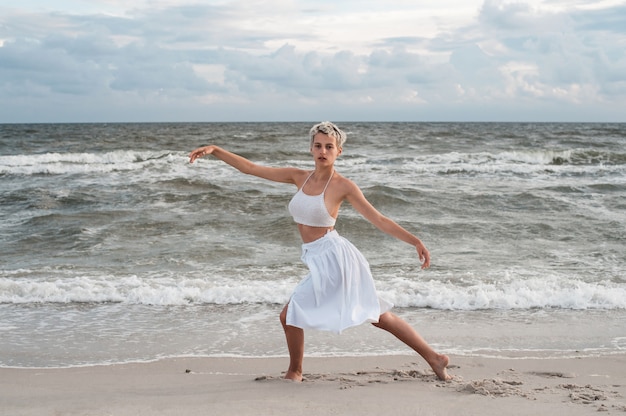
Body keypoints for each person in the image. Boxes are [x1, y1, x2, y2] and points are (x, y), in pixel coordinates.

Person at [189, 122, 451, 382]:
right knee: (376, 315)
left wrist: (415, 241)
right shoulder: (298, 177)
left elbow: (379, 219)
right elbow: (252, 168)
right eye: (318, 146)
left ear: (339, 151)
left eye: (329, 146)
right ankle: (434, 357)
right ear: (311, 149)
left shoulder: (343, 186)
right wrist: (216, 150)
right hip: (319, 257)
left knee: (292, 314)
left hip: (336, 258)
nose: (323, 151)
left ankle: (295, 372)